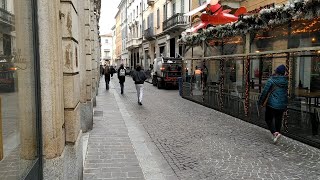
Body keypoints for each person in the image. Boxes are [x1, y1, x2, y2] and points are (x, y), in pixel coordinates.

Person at [258, 64, 288, 144]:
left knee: (268, 119)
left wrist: (260, 101)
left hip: (272, 104)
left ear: (276, 72)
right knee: (278, 119)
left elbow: (265, 91)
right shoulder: (286, 81)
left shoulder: (271, 80)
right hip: (282, 104)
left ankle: (275, 133)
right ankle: (276, 135)